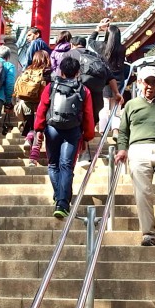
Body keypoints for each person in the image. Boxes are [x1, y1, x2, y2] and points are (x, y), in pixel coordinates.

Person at [114, 67, 155, 247]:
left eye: (154, 81)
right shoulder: (131, 105)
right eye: (147, 81)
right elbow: (124, 131)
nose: (150, 85)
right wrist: (122, 149)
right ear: (140, 82)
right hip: (137, 149)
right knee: (143, 191)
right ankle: (148, 232)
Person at [34, 55, 95, 218]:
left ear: (61, 71)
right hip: (72, 130)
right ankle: (62, 201)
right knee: (66, 166)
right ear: (77, 72)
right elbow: (88, 114)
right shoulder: (84, 90)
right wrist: (88, 135)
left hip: (52, 129)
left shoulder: (51, 87)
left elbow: (42, 108)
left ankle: (60, 197)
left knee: (53, 165)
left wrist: (38, 128)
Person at [14, 49, 53, 164]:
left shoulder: (27, 70)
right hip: (41, 105)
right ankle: (33, 158)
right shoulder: (48, 72)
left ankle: (28, 139)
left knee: (31, 127)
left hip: (25, 103)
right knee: (39, 130)